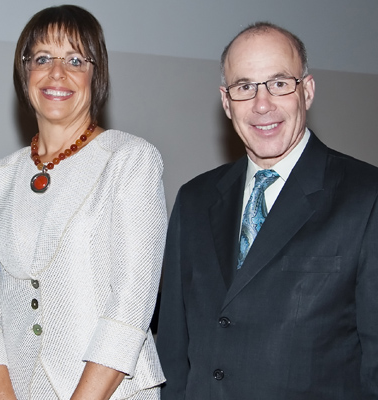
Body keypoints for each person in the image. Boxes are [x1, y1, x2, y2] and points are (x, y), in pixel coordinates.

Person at [156, 21, 378, 399]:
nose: (262, 104)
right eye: (245, 87)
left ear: (306, 91)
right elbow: (174, 353)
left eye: (278, 83)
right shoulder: (194, 199)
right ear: (226, 102)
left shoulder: (366, 196)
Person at [0, 5, 166, 399]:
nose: (56, 73)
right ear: (24, 72)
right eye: (42, 58)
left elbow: (131, 300)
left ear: (97, 74)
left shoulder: (130, 159)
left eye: (75, 59)